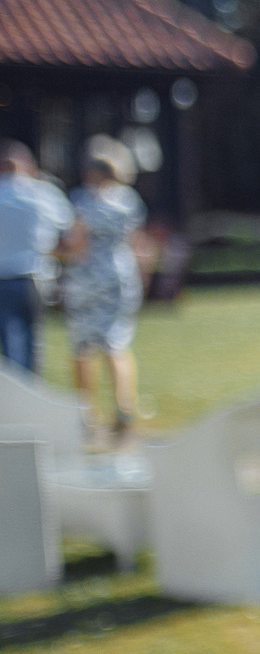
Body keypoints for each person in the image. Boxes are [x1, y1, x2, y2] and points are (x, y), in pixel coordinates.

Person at [61, 135, 147, 438]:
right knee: (117, 344)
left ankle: (86, 413)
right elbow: (138, 244)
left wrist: (57, 255)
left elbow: (77, 245)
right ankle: (125, 408)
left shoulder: (83, 200)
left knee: (83, 346)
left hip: (87, 278)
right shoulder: (129, 201)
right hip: (121, 275)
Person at [0, 139, 70, 376]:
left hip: (3, 276)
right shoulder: (44, 193)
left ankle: (14, 396)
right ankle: (32, 389)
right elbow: (69, 229)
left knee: (8, 342)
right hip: (35, 276)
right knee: (34, 341)